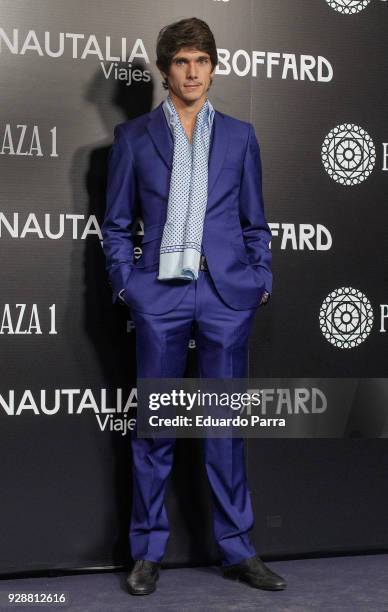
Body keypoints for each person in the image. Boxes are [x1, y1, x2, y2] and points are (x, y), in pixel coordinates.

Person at [101, 17, 286, 596]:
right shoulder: (133, 138)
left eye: (201, 61)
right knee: (156, 428)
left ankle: (238, 549)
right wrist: (129, 286)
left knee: (224, 428)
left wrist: (259, 281)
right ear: (164, 71)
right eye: (181, 61)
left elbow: (256, 223)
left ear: (213, 67)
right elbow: (114, 225)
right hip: (160, 293)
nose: (192, 72)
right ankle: (147, 551)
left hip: (226, 295)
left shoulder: (240, 135)